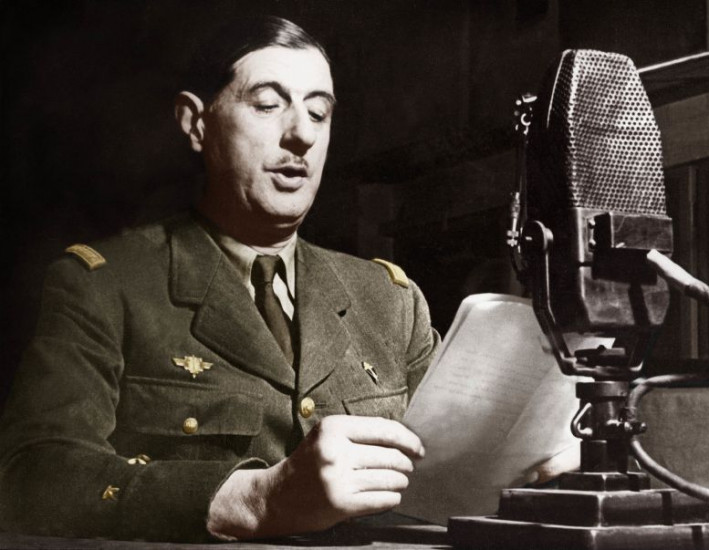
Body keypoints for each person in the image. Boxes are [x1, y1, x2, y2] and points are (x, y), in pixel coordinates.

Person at [0, 16, 440, 542]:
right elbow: (34, 478)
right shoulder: (104, 287)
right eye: (268, 104)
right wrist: (255, 499)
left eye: (318, 112)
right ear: (195, 123)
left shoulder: (390, 301)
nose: (302, 134)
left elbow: (461, 472)